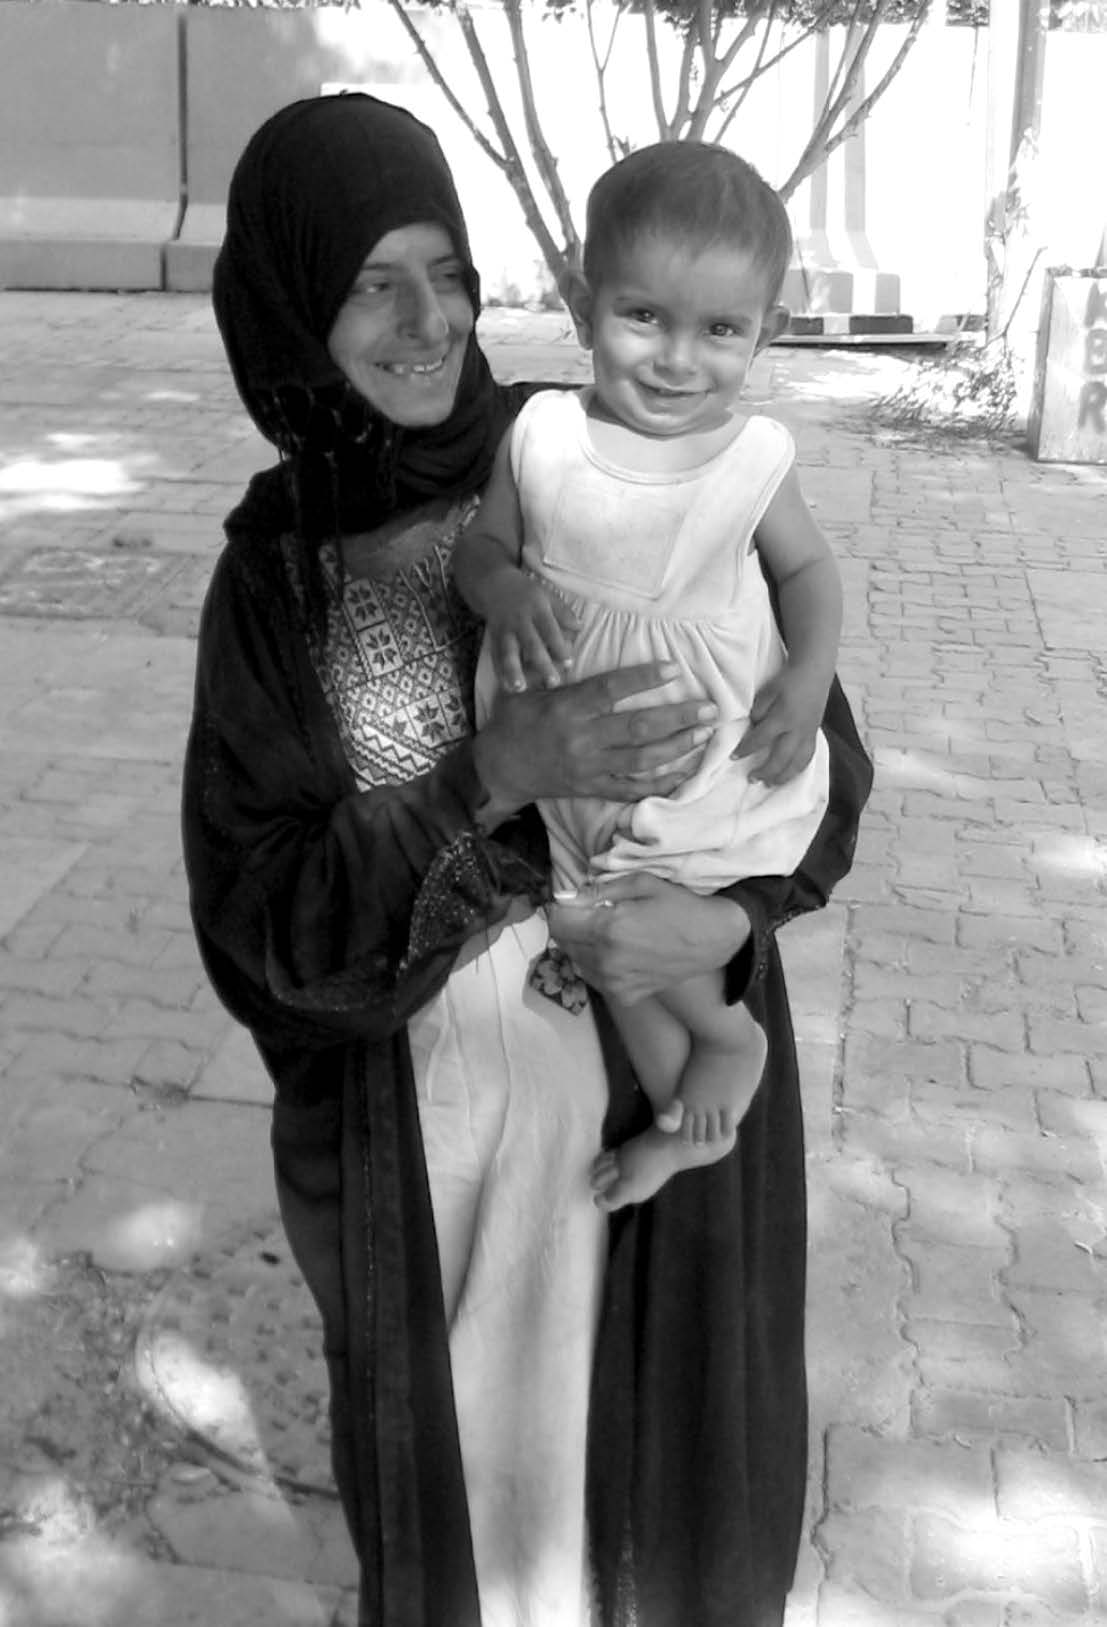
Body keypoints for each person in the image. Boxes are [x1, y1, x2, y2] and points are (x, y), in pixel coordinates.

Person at [181, 92, 872, 1627]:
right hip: (435, 1162)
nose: (424, 321)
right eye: (369, 280)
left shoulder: (595, 450)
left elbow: (820, 770)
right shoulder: (272, 583)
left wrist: (716, 919)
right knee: (486, 1542)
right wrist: (489, 775)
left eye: (444, 268)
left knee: (666, 1526)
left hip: (664, 1096)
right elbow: (259, 921)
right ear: (291, 303)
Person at [454, 142, 841, 1211]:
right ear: (582, 306)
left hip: (696, 768)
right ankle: (688, 1112)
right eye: (644, 317)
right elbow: (480, 551)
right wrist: (505, 592)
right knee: (593, 932)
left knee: (632, 920)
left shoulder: (752, 458)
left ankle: (726, 1038)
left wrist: (810, 677)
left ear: (766, 328)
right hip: (574, 772)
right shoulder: (539, 437)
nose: (678, 359)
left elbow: (809, 569)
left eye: (720, 330)